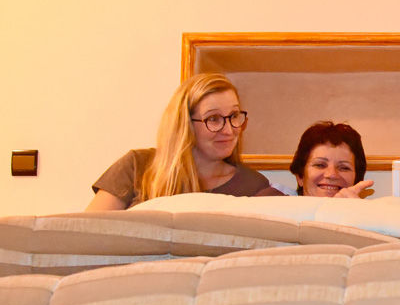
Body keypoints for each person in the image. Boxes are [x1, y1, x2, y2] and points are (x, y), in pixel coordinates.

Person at [87, 74, 282, 210]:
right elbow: (90, 234)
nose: (229, 130)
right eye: (213, 119)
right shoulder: (137, 166)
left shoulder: (253, 185)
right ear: (184, 124)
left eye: (234, 115)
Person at [290, 121, 374, 197]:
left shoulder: (372, 209)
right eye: (320, 165)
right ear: (300, 177)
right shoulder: (282, 206)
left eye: (344, 168)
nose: (332, 175)